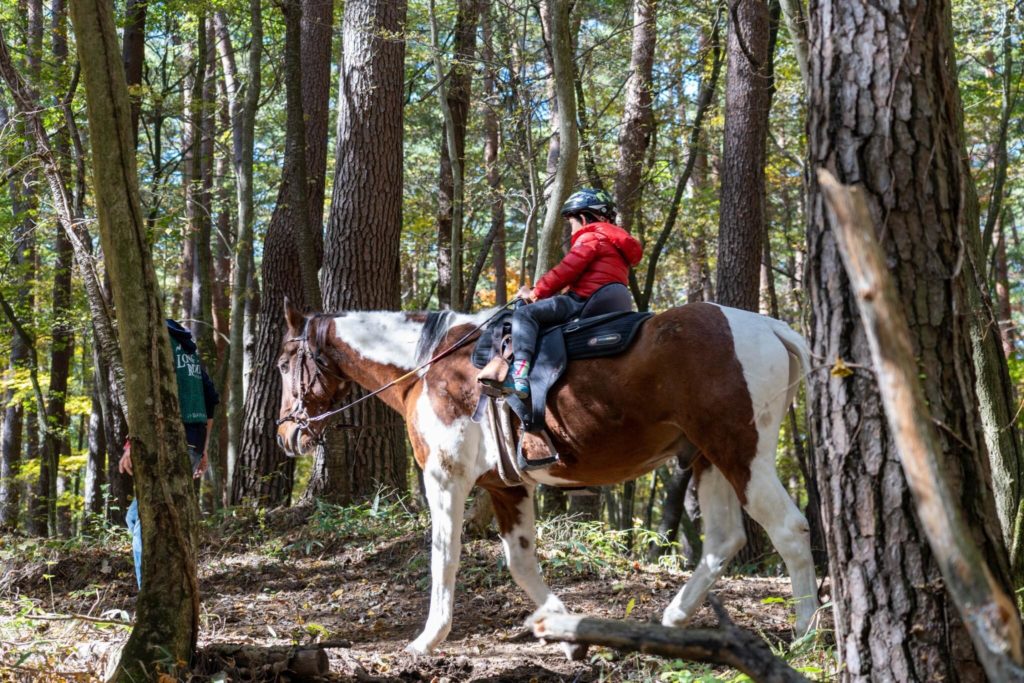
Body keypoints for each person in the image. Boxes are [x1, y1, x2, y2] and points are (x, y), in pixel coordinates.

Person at [481, 188, 643, 398]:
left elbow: (566, 271)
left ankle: (519, 374)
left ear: (584, 217)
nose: (572, 227)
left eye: (572, 221)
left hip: (582, 301)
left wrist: (534, 293)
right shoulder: (618, 246)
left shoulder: (591, 237)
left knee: (525, 314)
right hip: (611, 301)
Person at [119, 319, 219, 588]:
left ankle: (149, 591)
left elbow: (149, 401)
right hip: (193, 444)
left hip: (171, 443)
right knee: (137, 516)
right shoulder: (190, 353)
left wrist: (131, 446)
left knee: (143, 518)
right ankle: (172, 578)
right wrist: (204, 449)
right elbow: (210, 403)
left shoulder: (159, 348)